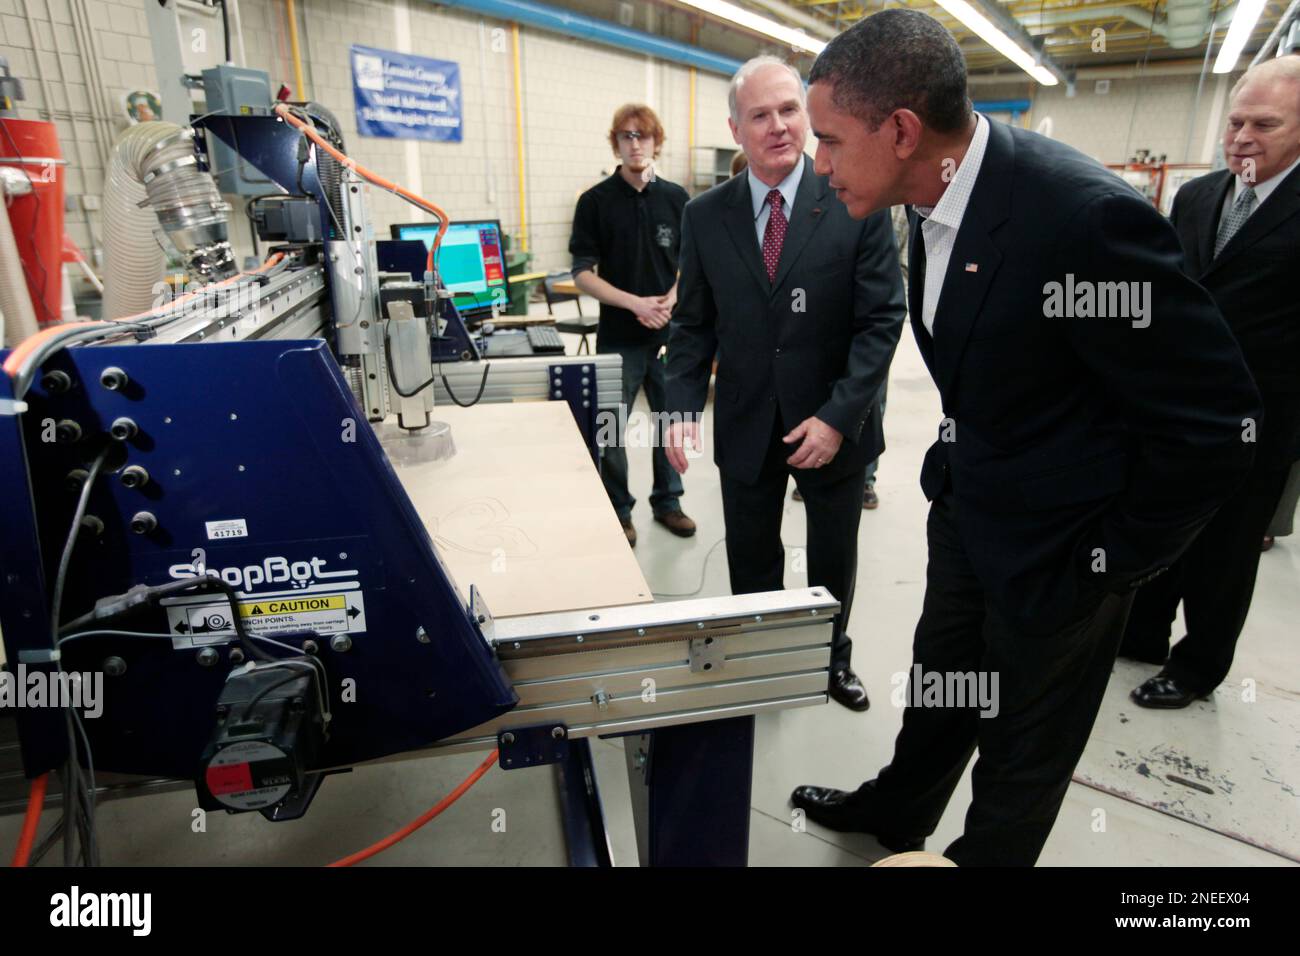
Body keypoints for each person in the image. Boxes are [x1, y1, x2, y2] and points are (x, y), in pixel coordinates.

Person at [790, 10, 1260, 865]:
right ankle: (899, 812)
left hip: (1067, 548)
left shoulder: (1080, 221)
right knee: (944, 689)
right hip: (975, 511)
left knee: (1022, 748)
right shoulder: (931, 199)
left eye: (827, 139)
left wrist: (1116, 558)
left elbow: (1217, 422)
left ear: (901, 131)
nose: (816, 163)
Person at [663, 56, 906, 712]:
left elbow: (882, 318)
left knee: (832, 555)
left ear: (808, 115)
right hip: (746, 418)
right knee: (752, 555)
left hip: (833, 424)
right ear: (735, 129)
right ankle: (765, 659)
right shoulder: (705, 217)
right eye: (761, 115)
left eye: (790, 110)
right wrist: (681, 407)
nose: (778, 127)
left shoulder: (857, 198)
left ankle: (831, 659)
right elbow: (692, 325)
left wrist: (838, 416)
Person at [1120, 56, 1300, 706]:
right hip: (1172, 410)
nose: (1242, 136)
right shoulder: (1198, 196)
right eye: (1235, 121)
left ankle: (1197, 667)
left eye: (1264, 124)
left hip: (1260, 420)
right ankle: (1140, 633)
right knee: (1161, 519)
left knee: (1225, 551)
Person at [569, 104, 695, 548]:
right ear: (616, 143)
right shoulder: (595, 202)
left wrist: (670, 300)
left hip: (670, 335)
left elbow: (694, 263)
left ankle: (669, 502)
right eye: (626, 136)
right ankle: (619, 510)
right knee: (610, 427)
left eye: (643, 135)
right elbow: (582, 271)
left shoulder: (678, 199)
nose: (636, 143)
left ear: (657, 141)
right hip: (619, 337)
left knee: (672, 420)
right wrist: (634, 304)